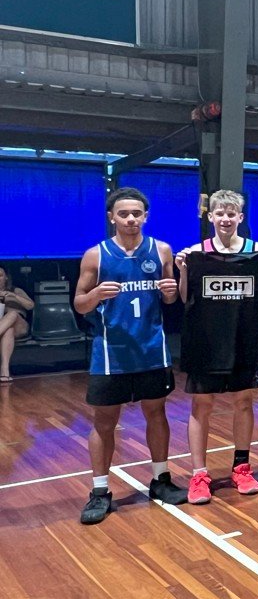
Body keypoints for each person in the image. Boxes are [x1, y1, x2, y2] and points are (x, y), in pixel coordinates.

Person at [73, 187, 188, 524]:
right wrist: (94, 294)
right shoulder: (96, 255)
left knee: (157, 414)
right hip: (112, 353)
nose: (131, 219)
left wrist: (170, 293)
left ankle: (161, 479)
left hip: (152, 350)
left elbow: (169, 300)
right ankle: (99, 491)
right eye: (124, 213)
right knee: (105, 422)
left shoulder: (162, 250)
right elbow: (80, 305)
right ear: (112, 217)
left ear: (145, 216)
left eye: (137, 213)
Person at [177, 189, 258, 505]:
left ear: (240, 217)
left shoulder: (256, 250)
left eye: (231, 214)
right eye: (219, 214)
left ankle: (242, 466)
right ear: (211, 217)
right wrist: (183, 270)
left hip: (243, 339)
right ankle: (199, 474)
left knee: (243, 403)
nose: (225, 219)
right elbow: (185, 299)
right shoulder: (196, 251)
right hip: (206, 341)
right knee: (201, 405)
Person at [0, 266, 33, 382]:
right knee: (9, 330)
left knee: (13, 314)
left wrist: (14, 297)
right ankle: (4, 371)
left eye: (0, 275)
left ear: (6, 278)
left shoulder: (16, 290)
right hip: (4, 326)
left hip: (20, 324)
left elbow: (31, 306)